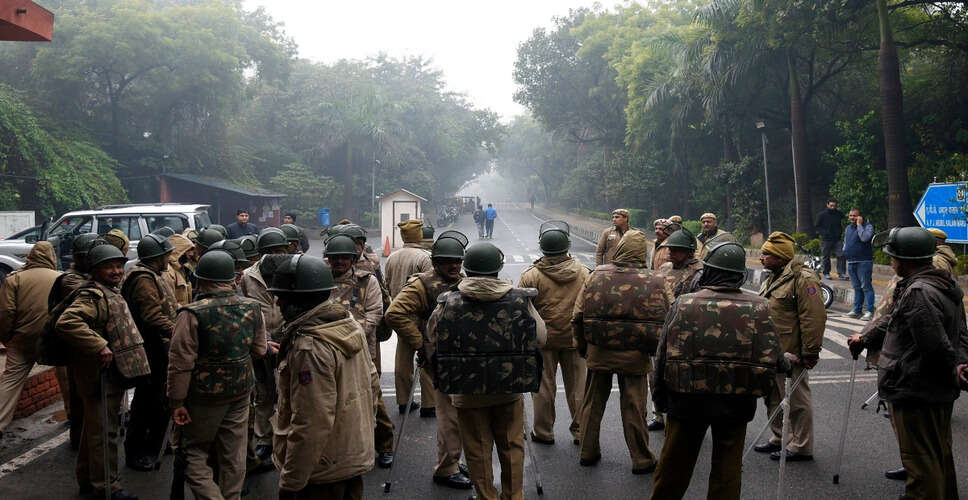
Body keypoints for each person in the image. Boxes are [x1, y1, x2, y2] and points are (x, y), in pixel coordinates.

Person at [651, 242, 788, 500]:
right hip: (736, 402)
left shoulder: (684, 303)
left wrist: (661, 401)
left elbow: (662, 357)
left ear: (708, 272)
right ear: (740, 276)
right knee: (727, 470)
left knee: (673, 468)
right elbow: (774, 357)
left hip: (686, 400)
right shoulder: (759, 307)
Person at [848, 226, 965, 500]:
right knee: (937, 458)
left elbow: (935, 347)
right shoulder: (941, 283)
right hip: (934, 389)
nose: (891, 262)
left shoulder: (918, 292)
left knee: (921, 466)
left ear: (905, 259)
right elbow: (899, 319)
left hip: (916, 389)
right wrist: (866, 337)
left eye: (893, 256)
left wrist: (952, 369)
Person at [425, 242, 546, 500]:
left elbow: (433, 337)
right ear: (498, 269)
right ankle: (513, 495)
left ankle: (485, 495)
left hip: (466, 391)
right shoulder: (519, 299)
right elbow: (541, 337)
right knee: (512, 446)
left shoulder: (448, 302)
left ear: (466, 270)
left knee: (478, 449)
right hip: (509, 387)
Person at [269, 255, 380, 500]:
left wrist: (291, 481)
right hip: (349, 454)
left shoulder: (310, 347)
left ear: (298, 300)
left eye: (282, 297)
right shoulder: (347, 324)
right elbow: (372, 384)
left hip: (321, 469)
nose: (278, 303)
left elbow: (311, 422)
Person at [167, 250, 268, 500]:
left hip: (203, 395)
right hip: (242, 389)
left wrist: (176, 401)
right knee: (233, 454)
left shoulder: (191, 313)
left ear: (200, 280)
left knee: (192, 453)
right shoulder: (252, 307)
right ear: (232, 278)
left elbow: (180, 362)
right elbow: (260, 349)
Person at [57, 244, 151, 500]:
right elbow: (67, 321)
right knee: (105, 434)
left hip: (110, 374)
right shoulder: (93, 296)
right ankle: (108, 487)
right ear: (95, 270)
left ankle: (88, 479)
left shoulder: (109, 290)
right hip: (100, 375)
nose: (116, 271)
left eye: (119, 266)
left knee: (95, 430)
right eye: (109, 266)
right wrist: (99, 345)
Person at [572, 230, 671, 474]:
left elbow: (578, 315)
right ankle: (641, 458)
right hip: (636, 354)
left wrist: (584, 348)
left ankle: (587, 451)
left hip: (599, 351)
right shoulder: (657, 280)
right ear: (642, 253)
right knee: (634, 407)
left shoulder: (595, 276)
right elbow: (671, 319)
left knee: (592, 405)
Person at [384, 231, 472, 489]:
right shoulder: (421, 284)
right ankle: (446, 467)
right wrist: (421, 342)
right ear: (435, 263)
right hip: (440, 358)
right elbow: (395, 313)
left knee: (460, 415)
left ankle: (452, 459)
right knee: (449, 416)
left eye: (457, 261)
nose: (454, 266)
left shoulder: (461, 279)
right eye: (447, 262)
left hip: (461, 357)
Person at [324, 235, 396, 470]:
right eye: (335, 258)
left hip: (361, 347)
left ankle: (384, 445)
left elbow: (375, 312)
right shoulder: (319, 279)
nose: (340, 262)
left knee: (372, 397)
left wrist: (351, 334)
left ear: (353, 259)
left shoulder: (367, 281)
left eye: (345, 257)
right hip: (326, 349)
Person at [753, 232, 826, 462]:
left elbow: (813, 317)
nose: (762, 258)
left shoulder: (803, 279)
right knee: (773, 396)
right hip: (772, 350)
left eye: (767, 254)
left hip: (792, 352)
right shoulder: (774, 276)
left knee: (796, 399)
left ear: (780, 257)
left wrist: (810, 352)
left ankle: (802, 445)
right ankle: (781, 437)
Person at [518, 224, 589, 446]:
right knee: (579, 387)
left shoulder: (531, 275)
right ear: (567, 246)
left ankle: (543, 431)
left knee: (543, 386)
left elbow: (521, 309)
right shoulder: (584, 272)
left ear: (542, 248)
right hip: (575, 337)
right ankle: (581, 431)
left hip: (543, 339)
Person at [121, 234, 179, 472]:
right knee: (147, 403)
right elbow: (152, 317)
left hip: (156, 346)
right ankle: (137, 452)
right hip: (150, 348)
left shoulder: (152, 275)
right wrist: (179, 330)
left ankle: (154, 445)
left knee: (158, 400)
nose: (169, 258)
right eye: (166, 254)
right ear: (157, 257)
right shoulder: (143, 279)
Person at [0, 242, 61, 435]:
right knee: (66, 377)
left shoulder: (14, 279)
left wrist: (6, 338)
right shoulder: (62, 278)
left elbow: (6, 313)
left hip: (21, 339)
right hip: (54, 340)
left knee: (11, 380)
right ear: (52, 256)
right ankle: (74, 417)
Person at [239, 227, 289, 464]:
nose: (275, 255)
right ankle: (264, 441)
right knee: (263, 393)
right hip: (260, 344)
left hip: (289, 340)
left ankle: (288, 439)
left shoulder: (294, 271)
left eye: (279, 250)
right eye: (269, 251)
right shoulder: (248, 276)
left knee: (289, 393)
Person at [385, 219, 435, 415]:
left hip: (399, 313)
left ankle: (403, 400)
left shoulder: (392, 257)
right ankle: (429, 403)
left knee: (403, 359)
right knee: (426, 355)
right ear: (419, 235)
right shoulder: (424, 257)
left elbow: (387, 283)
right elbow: (430, 287)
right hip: (421, 315)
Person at [844, 208, 875, 320]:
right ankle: (857, 310)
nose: (852, 218)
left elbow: (864, 238)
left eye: (855, 216)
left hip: (864, 261)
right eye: (851, 215)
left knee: (866, 286)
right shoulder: (848, 228)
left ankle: (870, 311)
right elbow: (846, 242)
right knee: (857, 287)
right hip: (851, 261)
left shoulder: (868, 226)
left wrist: (859, 225)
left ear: (860, 217)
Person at [657, 228, 703, 299]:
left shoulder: (698, 274)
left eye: (676, 250)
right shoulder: (664, 267)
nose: (671, 253)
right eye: (670, 249)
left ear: (690, 252)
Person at [815, 199, 846, 280]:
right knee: (826, 257)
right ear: (827, 205)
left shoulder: (839, 214)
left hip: (837, 239)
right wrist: (824, 233)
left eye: (834, 206)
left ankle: (841, 273)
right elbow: (817, 226)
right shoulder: (822, 215)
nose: (833, 207)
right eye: (831, 206)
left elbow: (846, 220)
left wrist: (841, 232)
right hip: (826, 239)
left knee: (841, 255)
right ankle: (826, 273)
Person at [163, 234, 195, 306]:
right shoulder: (168, 272)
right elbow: (169, 303)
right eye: (187, 250)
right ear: (177, 250)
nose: (191, 254)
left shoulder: (181, 268)